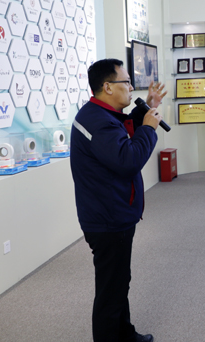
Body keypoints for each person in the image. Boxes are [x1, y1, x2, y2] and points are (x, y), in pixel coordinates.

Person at [70, 58, 166, 342]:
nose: (131, 88)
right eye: (126, 82)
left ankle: (125, 334)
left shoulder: (100, 115)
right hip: (108, 219)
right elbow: (128, 159)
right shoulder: (98, 122)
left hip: (111, 212)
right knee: (111, 290)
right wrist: (149, 128)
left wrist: (147, 108)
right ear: (108, 87)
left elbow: (122, 130)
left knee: (118, 283)